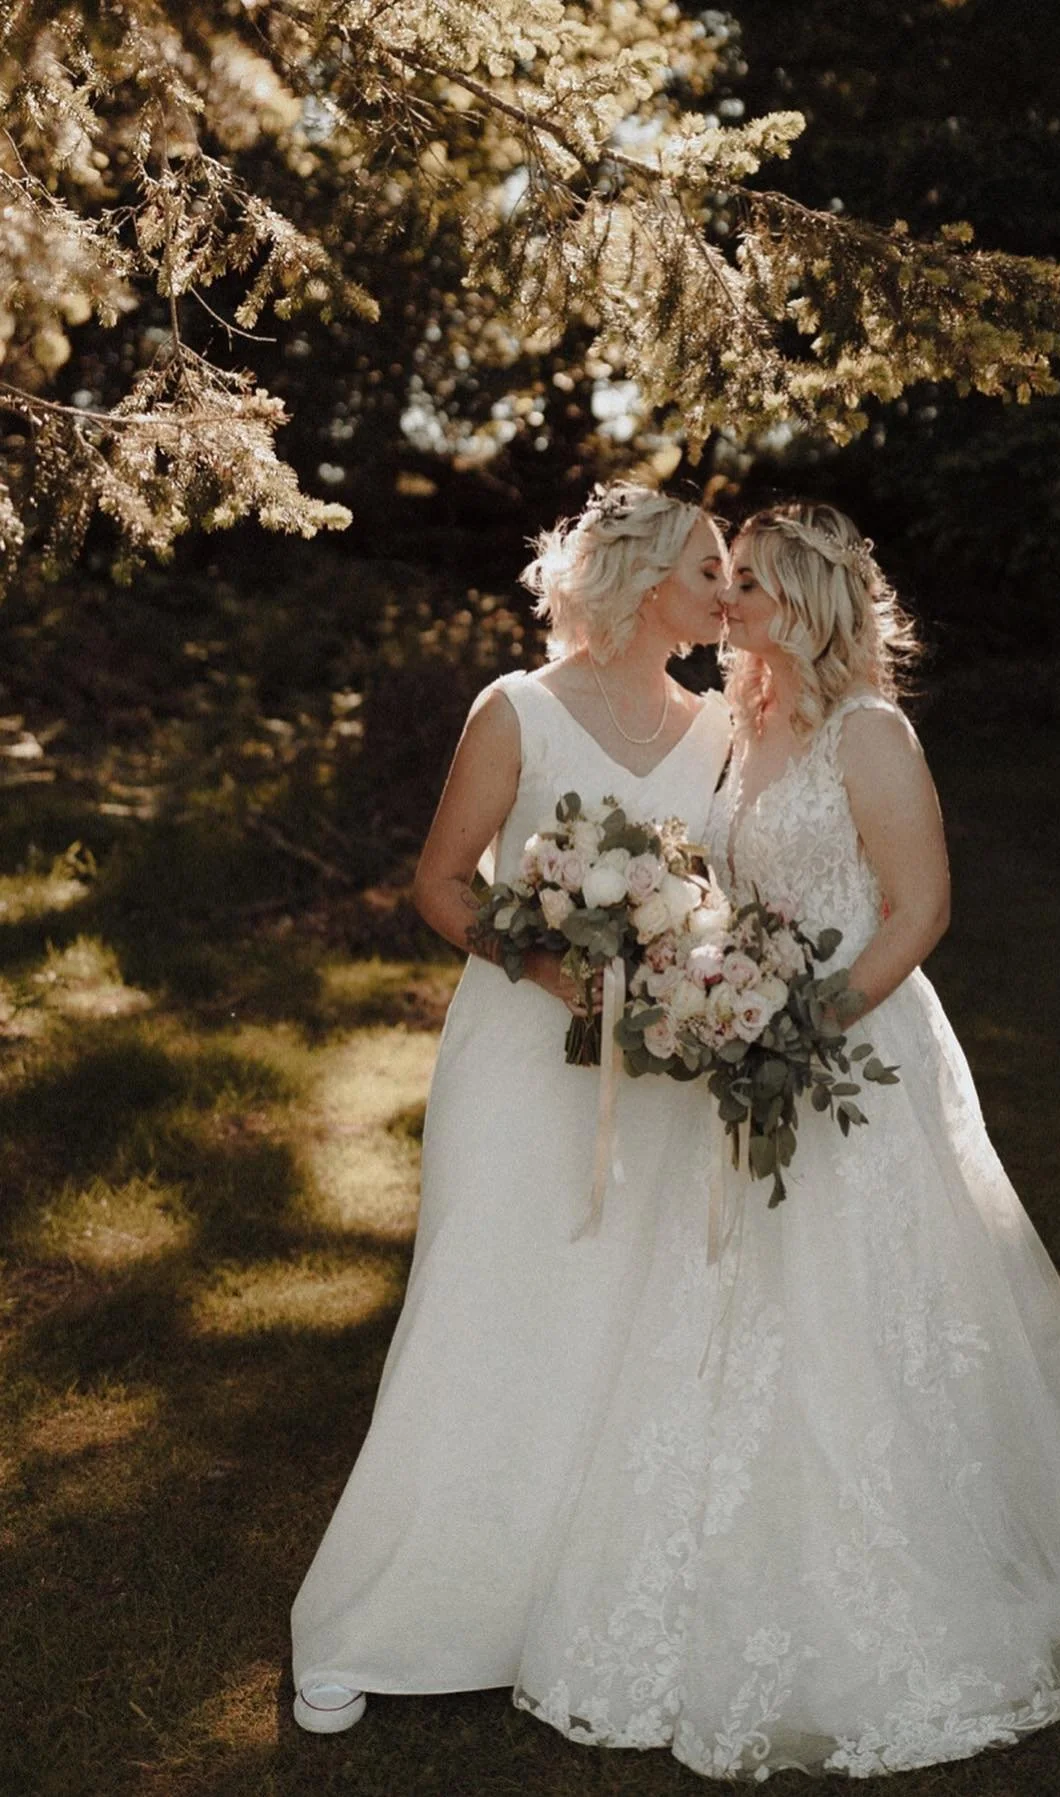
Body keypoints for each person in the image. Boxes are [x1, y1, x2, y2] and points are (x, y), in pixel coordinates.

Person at [504, 502, 1060, 1778]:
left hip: (855, 1049)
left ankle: (914, 1540)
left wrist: (810, 1022)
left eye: (745, 582)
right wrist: (714, 987)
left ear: (807, 597)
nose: (725, 599)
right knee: (735, 1298)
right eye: (724, 580)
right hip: (752, 1048)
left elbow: (920, 909)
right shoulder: (740, 728)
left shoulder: (872, 732)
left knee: (868, 1299)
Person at [289, 483, 732, 1732]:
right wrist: (549, 966)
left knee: (627, 1323)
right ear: (648, 582)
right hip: (519, 1055)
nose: (725, 592)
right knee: (480, 1307)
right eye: (708, 570)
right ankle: (383, 1617)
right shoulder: (517, 709)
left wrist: (695, 975)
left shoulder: (719, 731)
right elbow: (439, 881)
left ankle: (583, 1596)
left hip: (658, 1076)